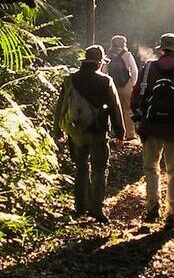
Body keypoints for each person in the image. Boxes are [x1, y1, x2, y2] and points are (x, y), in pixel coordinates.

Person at [131, 33, 174, 226]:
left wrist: (138, 117)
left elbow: (137, 94)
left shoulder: (148, 68)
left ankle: (152, 208)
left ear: (161, 49)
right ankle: (171, 213)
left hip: (151, 126)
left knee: (151, 168)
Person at [52, 45, 125, 223]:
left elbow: (61, 106)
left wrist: (57, 129)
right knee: (99, 169)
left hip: (76, 131)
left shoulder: (70, 79)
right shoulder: (105, 81)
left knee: (81, 168)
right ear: (99, 63)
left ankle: (79, 207)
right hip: (98, 132)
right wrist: (119, 132)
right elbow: (115, 108)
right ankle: (96, 209)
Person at [102, 35, 139, 140]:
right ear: (124, 44)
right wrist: (133, 82)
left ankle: (116, 133)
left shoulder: (108, 56)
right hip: (126, 84)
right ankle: (130, 134)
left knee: (114, 109)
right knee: (128, 109)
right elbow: (134, 70)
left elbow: (104, 71)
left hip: (112, 85)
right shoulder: (127, 55)